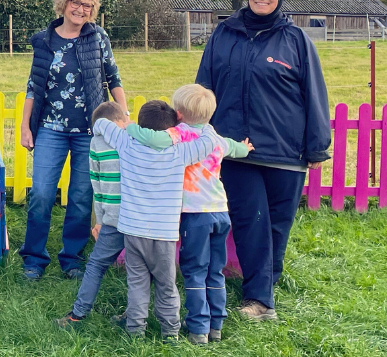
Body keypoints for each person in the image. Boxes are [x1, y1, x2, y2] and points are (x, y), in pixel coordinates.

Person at [196, 0, 331, 321]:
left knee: (277, 223)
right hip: (236, 147)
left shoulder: (296, 39)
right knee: (250, 219)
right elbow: (204, 85)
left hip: (285, 149)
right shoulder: (223, 35)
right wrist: (199, 133)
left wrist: (317, 146)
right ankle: (259, 301)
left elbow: (313, 92)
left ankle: (267, 283)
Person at [19, 0, 128, 280]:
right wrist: (25, 126)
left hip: (90, 132)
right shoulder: (44, 40)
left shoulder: (98, 37)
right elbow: (33, 86)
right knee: (41, 193)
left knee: (81, 196)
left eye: (87, 5)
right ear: (63, 4)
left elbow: (113, 78)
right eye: (75, 3)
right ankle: (33, 258)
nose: (81, 9)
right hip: (50, 129)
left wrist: (124, 117)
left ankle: (72, 258)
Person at [127, 84, 253, 344]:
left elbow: (152, 139)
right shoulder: (214, 136)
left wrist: (128, 127)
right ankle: (216, 323)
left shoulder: (178, 134)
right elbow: (234, 148)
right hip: (220, 211)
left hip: (194, 214)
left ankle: (198, 328)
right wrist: (246, 148)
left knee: (195, 270)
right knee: (215, 271)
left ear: (180, 113)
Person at [94, 100, 217, 342]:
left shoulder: (126, 144)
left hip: (132, 230)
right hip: (164, 234)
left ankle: (135, 330)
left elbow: (101, 122)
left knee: (137, 283)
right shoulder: (180, 152)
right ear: (172, 128)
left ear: (141, 124)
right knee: (166, 285)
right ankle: (171, 332)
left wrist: (130, 127)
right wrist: (194, 125)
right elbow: (210, 140)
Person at [54, 101, 129, 330]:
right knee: (138, 271)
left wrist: (98, 221)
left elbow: (96, 185)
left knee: (96, 265)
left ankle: (78, 315)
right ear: (120, 121)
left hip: (112, 219)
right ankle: (135, 319)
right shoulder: (133, 140)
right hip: (138, 217)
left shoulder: (95, 143)